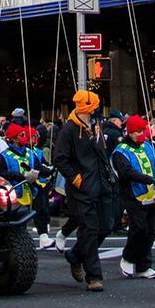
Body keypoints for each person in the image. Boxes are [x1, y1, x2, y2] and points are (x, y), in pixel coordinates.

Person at [50, 89, 111, 291]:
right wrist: (77, 180)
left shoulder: (95, 126)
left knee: (106, 226)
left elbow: (102, 152)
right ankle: (94, 277)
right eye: (93, 105)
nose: (96, 108)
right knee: (91, 229)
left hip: (101, 183)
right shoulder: (68, 130)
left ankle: (75, 255)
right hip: (82, 188)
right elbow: (59, 158)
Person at [110, 115, 155, 279]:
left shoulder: (149, 146)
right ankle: (128, 257)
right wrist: (150, 180)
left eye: (143, 130)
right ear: (130, 133)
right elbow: (126, 173)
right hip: (132, 195)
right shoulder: (120, 152)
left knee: (150, 230)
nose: (141, 134)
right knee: (139, 227)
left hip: (152, 194)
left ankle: (144, 265)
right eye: (137, 132)